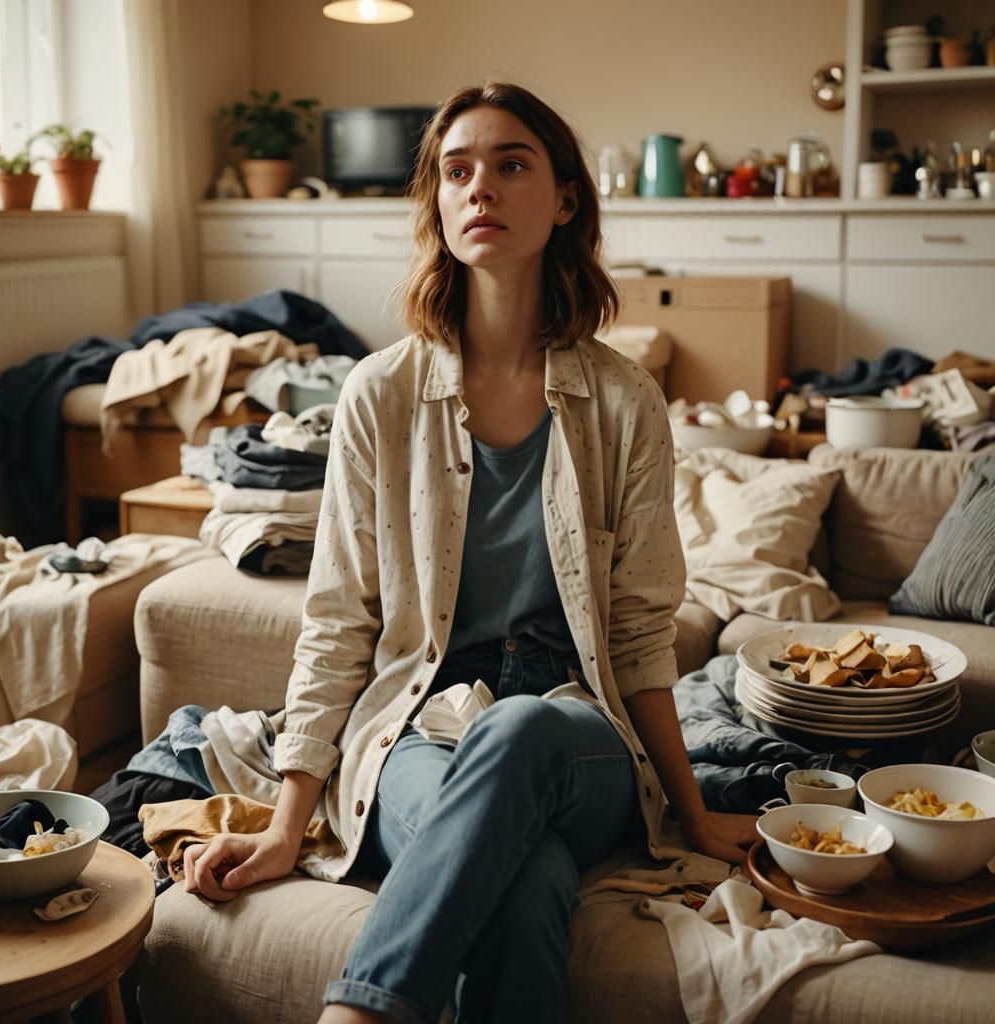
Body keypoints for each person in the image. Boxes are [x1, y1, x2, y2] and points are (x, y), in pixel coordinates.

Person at [183, 82, 758, 1024]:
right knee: (526, 882)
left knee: (522, 728)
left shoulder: (624, 402)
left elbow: (639, 633)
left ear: (565, 199)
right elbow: (339, 622)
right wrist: (289, 824)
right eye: (457, 171)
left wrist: (691, 815)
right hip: (419, 728)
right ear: (439, 204)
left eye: (510, 164)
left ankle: (358, 1015)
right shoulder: (380, 395)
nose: (479, 187)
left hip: (575, 737)